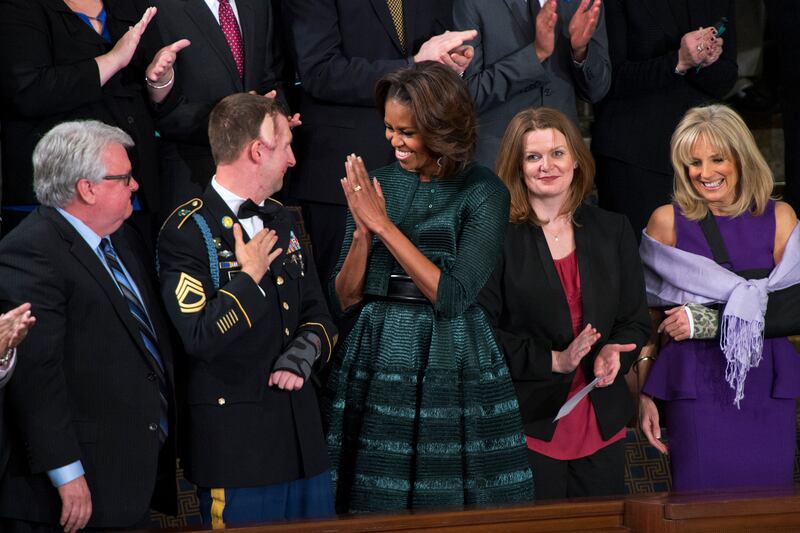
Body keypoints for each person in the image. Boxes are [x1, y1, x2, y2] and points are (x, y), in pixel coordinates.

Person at [326, 61, 534, 513]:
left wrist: (383, 226)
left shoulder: (484, 191)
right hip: (377, 345)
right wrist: (362, 233)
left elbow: (454, 295)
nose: (394, 141)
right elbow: (344, 298)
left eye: (407, 131)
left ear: (442, 129)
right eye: (388, 128)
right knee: (372, 494)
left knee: (446, 497)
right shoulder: (377, 184)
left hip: (449, 349)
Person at [157, 93, 337, 526]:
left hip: (302, 444)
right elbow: (199, 336)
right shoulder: (185, 230)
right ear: (258, 150)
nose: (294, 160)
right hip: (239, 450)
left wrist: (306, 350)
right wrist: (249, 279)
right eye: (287, 146)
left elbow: (318, 309)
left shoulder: (281, 217)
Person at [0, 120, 177, 532]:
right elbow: (35, 373)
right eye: (126, 178)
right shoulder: (31, 251)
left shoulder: (123, 240)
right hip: (74, 491)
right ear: (87, 188)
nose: (136, 187)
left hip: (131, 474)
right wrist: (66, 471)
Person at [477, 107, 650, 499]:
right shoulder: (496, 237)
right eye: (533, 157)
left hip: (600, 416)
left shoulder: (613, 229)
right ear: (517, 166)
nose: (547, 166)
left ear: (575, 158)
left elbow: (635, 321)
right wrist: (554, 360)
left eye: (557, 153)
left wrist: (614, 354)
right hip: (529, 420)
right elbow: (479, 332)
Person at [638, 104, 800, 491]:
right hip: (694, 384)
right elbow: (645, 316)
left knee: (766, 510)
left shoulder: (781, 218)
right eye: (693, 162)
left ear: (741, 158)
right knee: (698, 509)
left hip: (767, 384)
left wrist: (704, 321)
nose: (705, 173)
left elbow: (791, 308)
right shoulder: (666, 221)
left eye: (717, 159)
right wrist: (644, 394)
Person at [282, 0, 476, 286]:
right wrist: (412, 65)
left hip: (417, 171)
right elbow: (319, 72)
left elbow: (427, 54)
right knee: (343, 301)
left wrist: (448, 61)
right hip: (343, 173)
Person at [0, 0, 189, 235]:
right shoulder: (19, 8)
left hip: (135, 193)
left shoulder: (128, 6)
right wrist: (114, 59)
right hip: (59, 198)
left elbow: (153, 101)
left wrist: (160, 80)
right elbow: (28, 91)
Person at [591, 0, 737, 236]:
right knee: (637, 266)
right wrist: (678, 62)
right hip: (635, 159)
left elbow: (727, 78)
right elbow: (605, 82)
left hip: (699, 158)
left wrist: (705, 62)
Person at [152, 0, 289, 214]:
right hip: (194, 175)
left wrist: (278, 119)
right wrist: (235, 122)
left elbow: (269, 79)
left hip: (258, 183)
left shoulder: (258, 5)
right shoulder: (160, 8)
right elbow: (164, 111)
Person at [453, 0, 611, 168]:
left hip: (561, 163)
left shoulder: (586, 2)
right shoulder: (472, 3)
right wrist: (536, 54)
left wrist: (581, 52)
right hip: (501, 161)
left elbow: (597, 91)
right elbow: (468, 94)